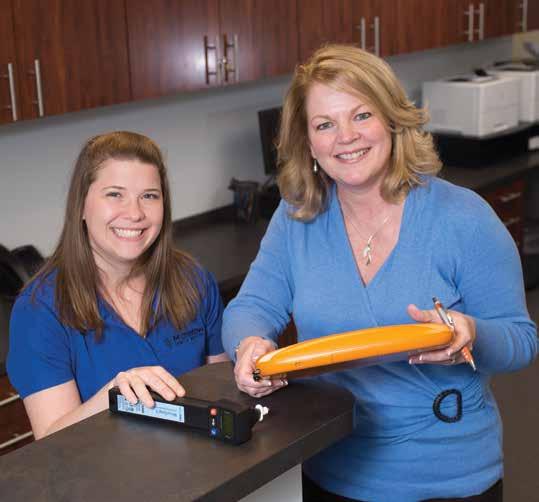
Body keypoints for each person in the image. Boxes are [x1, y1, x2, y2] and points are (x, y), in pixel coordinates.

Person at [221, 45, 537, 501]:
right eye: (325, 124)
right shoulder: (297, 218)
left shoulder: (462, 218)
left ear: (392, 119)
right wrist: (248, 345)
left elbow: (521, 341)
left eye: (362, 115)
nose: (346, 137)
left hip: (446, 478)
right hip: (331, 467)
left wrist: (471, 333)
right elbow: (251, 306)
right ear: (308, 143)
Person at [7, 131, 228, 440]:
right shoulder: (39, 311)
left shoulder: (193, 279)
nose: (135, 213)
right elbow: (53, 443)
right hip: (100, 470)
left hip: (202, 462)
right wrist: (113, 395)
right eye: (114, 194)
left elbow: (223, 387)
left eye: (149, 196)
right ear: (81, 206)